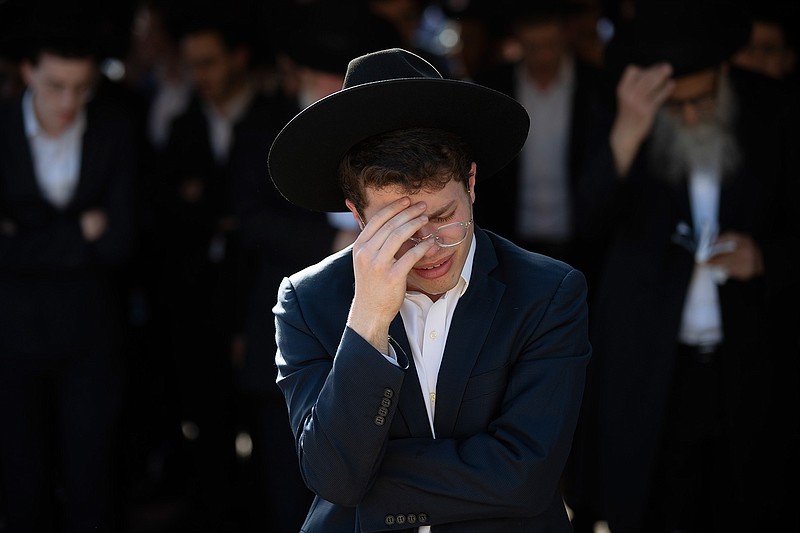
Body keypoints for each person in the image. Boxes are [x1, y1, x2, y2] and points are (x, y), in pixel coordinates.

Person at [267, 47, 591, 532]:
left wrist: (367, 484)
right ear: (358, 215)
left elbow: (525, 475)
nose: (431, 248)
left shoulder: (549, 292)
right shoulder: (307, 301)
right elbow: (330, 476)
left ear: (473, 183)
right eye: (401, 228)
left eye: (443, 217)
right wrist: (369, 321)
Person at [575, 1, 800, 531]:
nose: (692, 115)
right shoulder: (620, 110)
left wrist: (764, 257)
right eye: (677, 107)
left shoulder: (775, 110)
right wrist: (629, 131)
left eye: (702, 99)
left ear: (725, 71)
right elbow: (589, 223)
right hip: (653, 367)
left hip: (748, 365)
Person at [0, 14, 137, 532]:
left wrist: (24, 239)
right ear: (28, 71)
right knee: (21, 483)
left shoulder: (112, 129)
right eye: (56, 86)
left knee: (92, 481)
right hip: (12, 339)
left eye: (81, 88)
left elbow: (121, 241)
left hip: (90, 339)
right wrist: (81, 233)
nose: (68, 102)